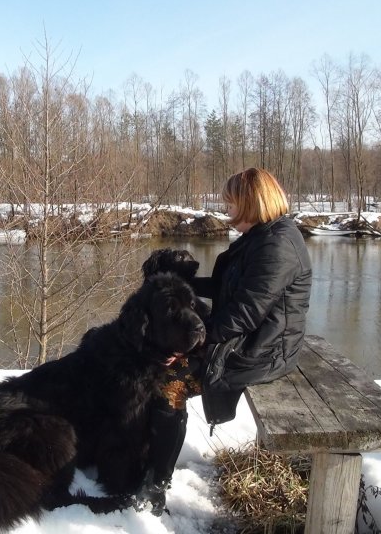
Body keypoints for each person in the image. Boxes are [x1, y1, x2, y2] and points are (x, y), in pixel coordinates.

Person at [135, 167, 313, 515]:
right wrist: (177, 284)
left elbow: (243, 316)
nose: (227, 211)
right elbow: (227, 290)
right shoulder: (262, 237)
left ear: (251, 203)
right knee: (150, 365)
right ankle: (146, 461)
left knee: (168, 383)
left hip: (262, 351)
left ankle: (155, 487)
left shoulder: (277, 247)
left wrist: (186, 346)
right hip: (254, 340)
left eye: (231, 204)